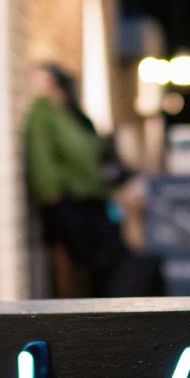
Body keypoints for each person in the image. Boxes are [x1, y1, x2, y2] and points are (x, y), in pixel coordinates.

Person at [25, 63, 125, 295]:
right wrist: (54, 198)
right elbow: (40, 163)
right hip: (69, 204)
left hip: (93, 201)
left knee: (110, 259)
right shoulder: (42, 113)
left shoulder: (72, 117)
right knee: (89, 265)